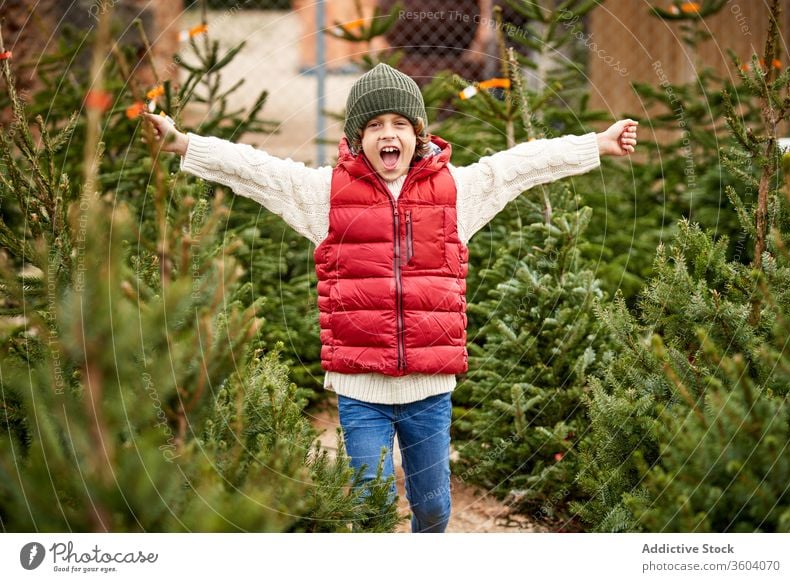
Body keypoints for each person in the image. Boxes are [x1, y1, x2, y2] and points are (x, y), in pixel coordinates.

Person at [141, 63, 637, 533]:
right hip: (361, 390)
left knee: (435, 507)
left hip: (430, 387)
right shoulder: (325, 196)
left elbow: (521, 166)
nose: (388, 134)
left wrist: (597, 143)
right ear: (358, 138)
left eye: (400, 122)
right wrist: (184, 144)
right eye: (375, 124)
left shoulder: (457, 191)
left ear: (417, 133)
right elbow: (257, 171)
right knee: (371, 507)